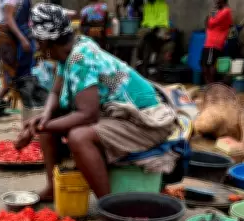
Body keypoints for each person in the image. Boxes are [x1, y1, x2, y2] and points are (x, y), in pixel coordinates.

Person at [24, 4, 176, 201]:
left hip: (145, 120)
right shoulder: (68, 51)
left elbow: (88, 114)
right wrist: (44, 119)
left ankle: (108, 209)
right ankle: (53, 187)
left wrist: (39, 127)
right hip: (119, 114)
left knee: (79, 137)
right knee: (47, 127)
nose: (36, 45)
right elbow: (55, 90)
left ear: (46, 40)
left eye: (37, 40)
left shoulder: (80, 57)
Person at [0, 0, 34, 98]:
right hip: (9, 37)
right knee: (11, 74)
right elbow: (9, 18)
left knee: (18, 72)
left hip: (16, 34)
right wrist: (22, 39)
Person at [202, 0, 233, 85]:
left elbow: (211, 22)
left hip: (214, 42)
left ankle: (211, 85)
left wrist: (210, 17)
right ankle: (209, 84)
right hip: (209, 41)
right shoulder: (218, 11)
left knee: (210, 64)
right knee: (204, 64)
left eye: (218, 1)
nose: (216, 2)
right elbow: (208, 23)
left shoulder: (226, 11)